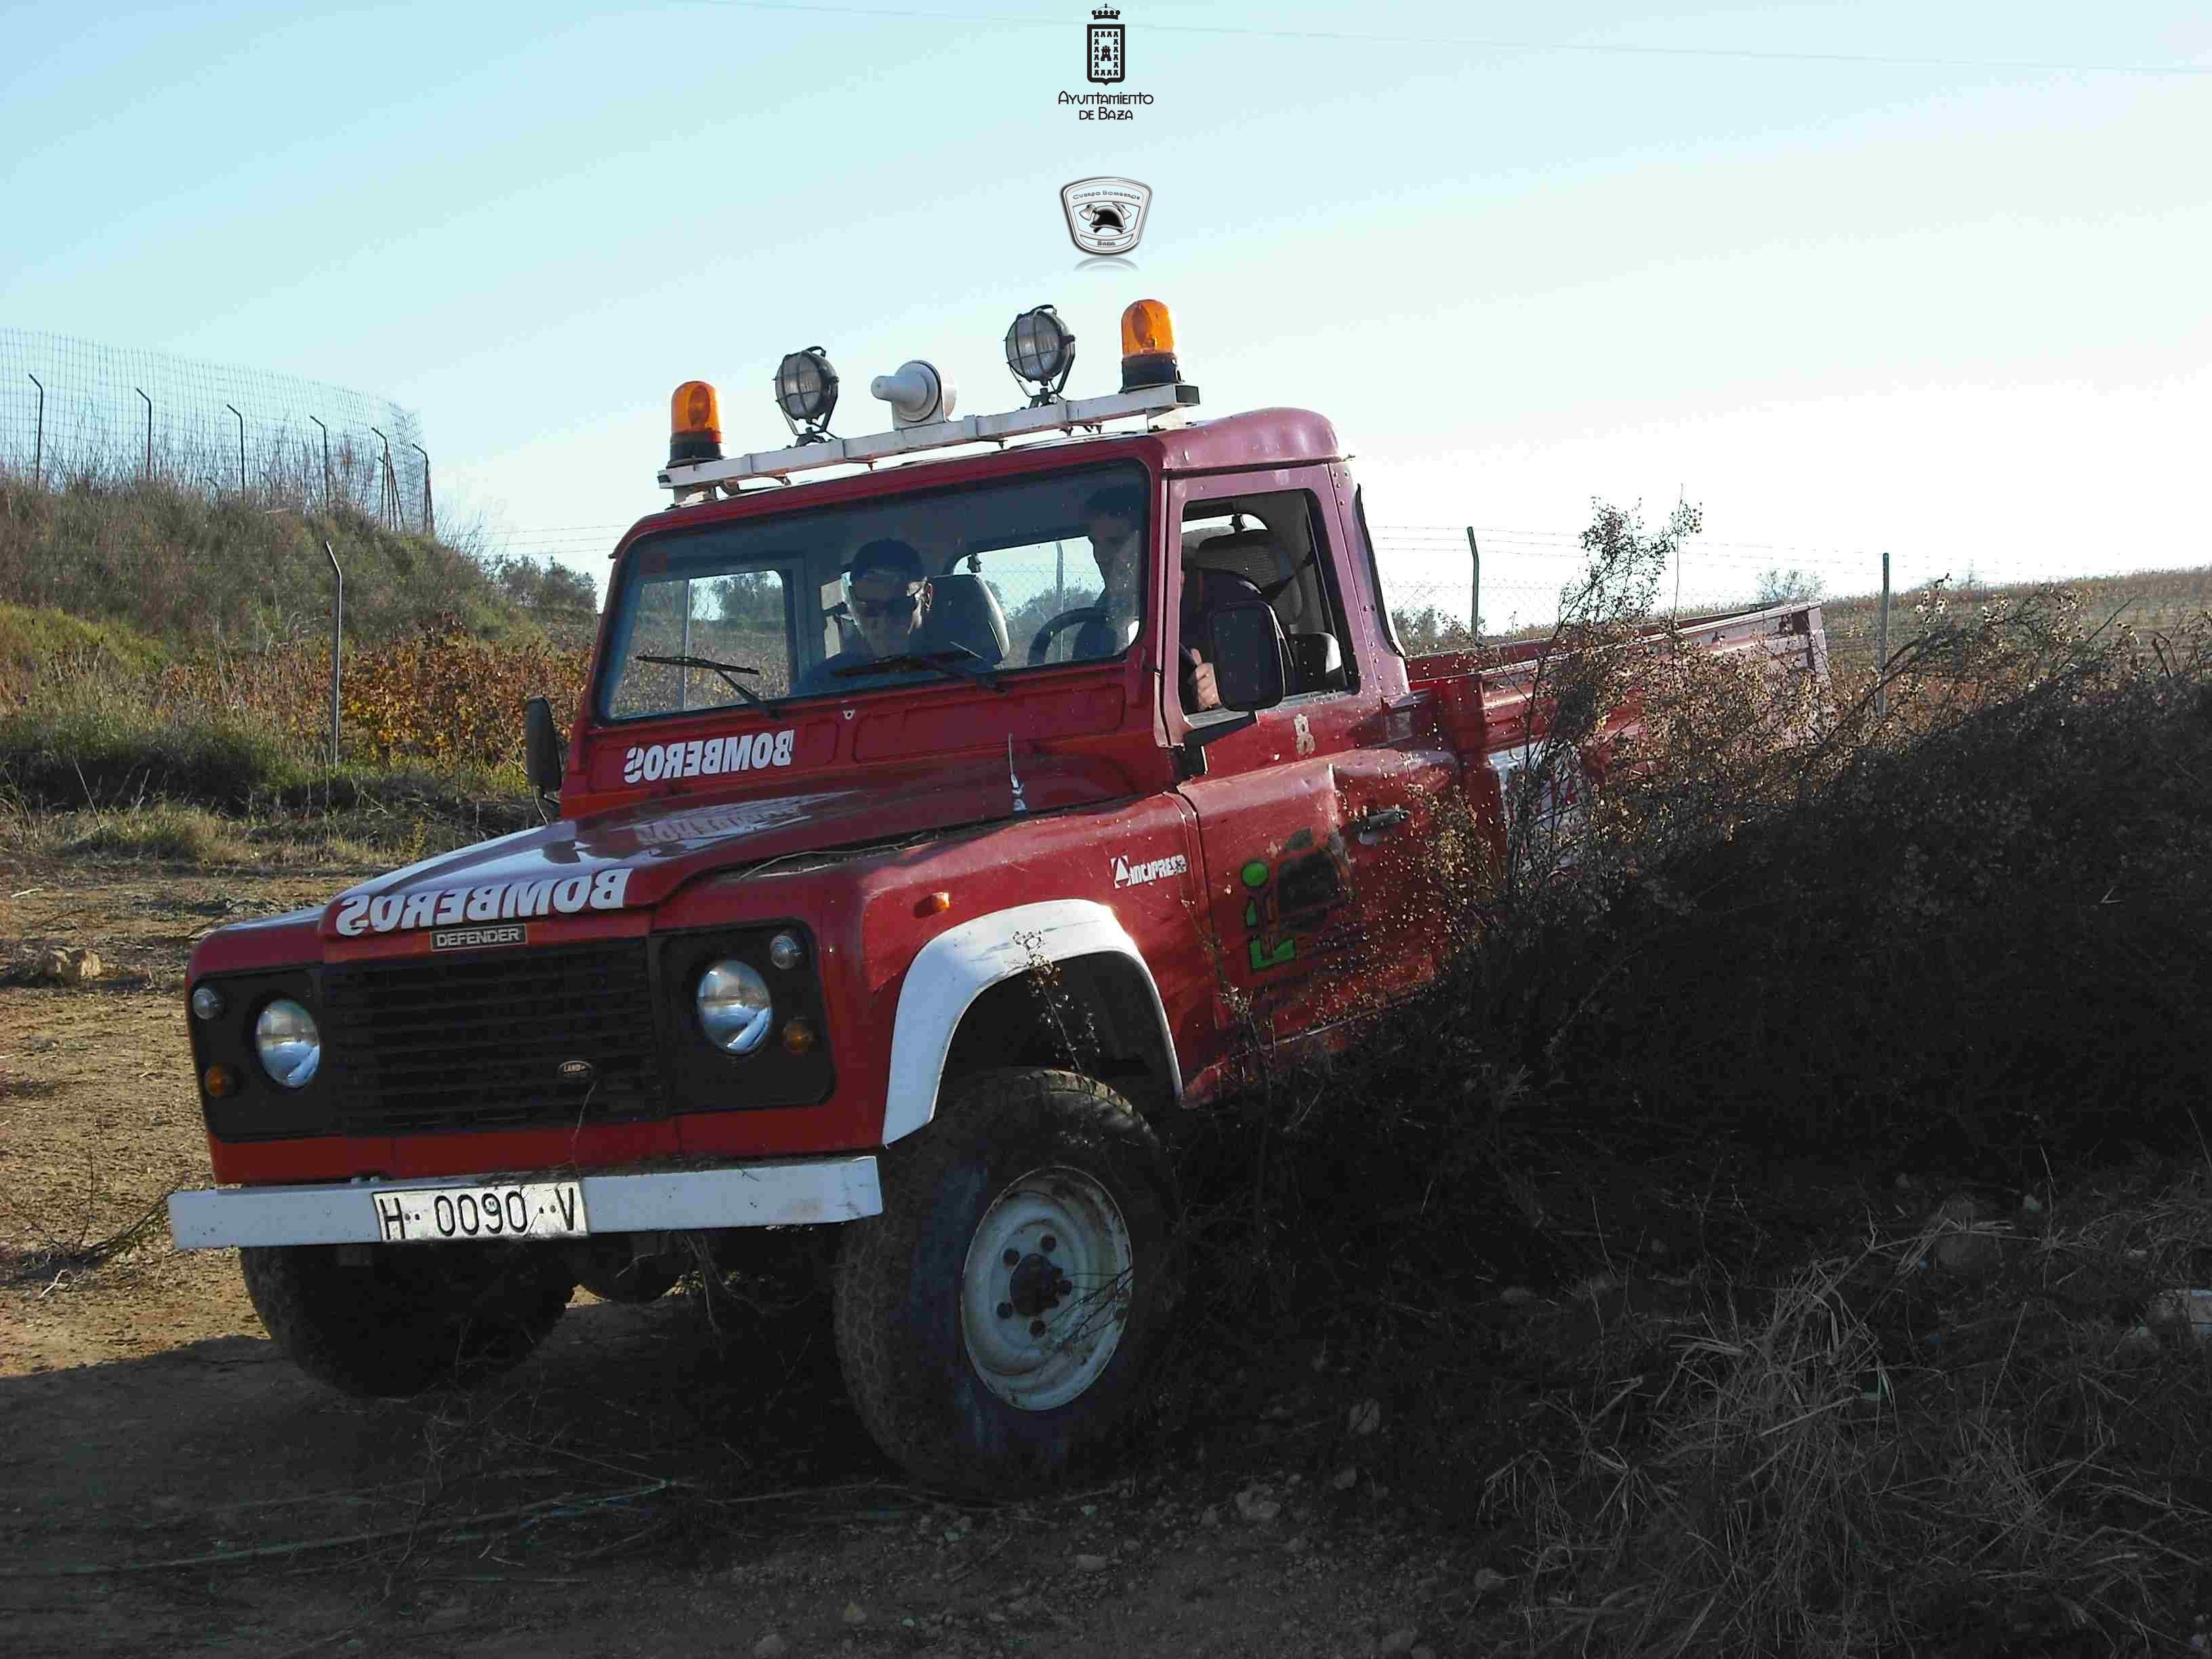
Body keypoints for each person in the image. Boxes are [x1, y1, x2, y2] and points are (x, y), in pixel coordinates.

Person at [1080, 485, 1258, 712]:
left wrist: (1228, 685)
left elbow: (1283, 682)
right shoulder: (1095, 629)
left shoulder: (1234, 601)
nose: (1101, 556)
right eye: (1094, 543)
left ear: (1152, 540)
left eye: (1115, 542)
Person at [792, 539, 933, 696]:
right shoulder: (821, 686)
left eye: (899, 606)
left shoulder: (953, 672)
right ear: (853, 602)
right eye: (869, 608)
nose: (884, 624)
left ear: (926, 597)